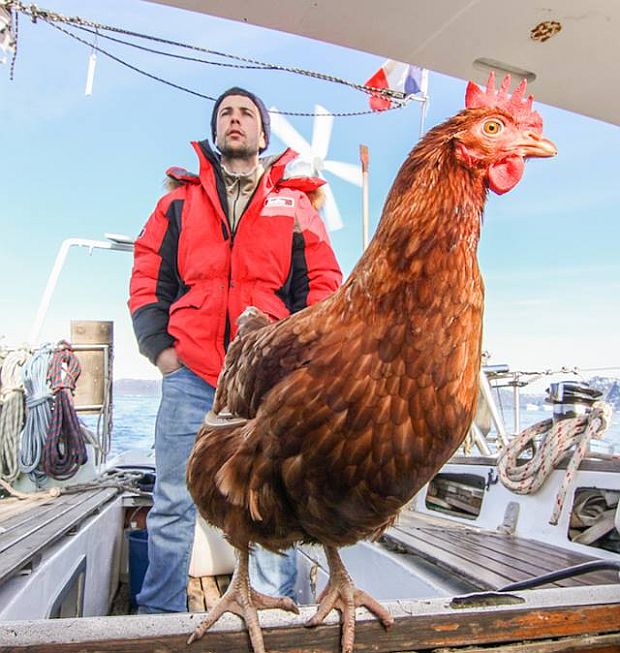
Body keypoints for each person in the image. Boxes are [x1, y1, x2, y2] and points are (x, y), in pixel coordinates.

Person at [128, 87, 342, 613]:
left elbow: (322, 283)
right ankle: (159, 616)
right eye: (226, 113)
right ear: (216, 131)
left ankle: (278, 615)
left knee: (272, 501)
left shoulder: (294, 203)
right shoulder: (178, 201)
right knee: (173, 500)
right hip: (191, 372)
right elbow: (147, 276)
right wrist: (161, 351)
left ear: (263, 134)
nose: (235, 119)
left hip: (267, 381)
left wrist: (300, 362)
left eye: (246, 113)